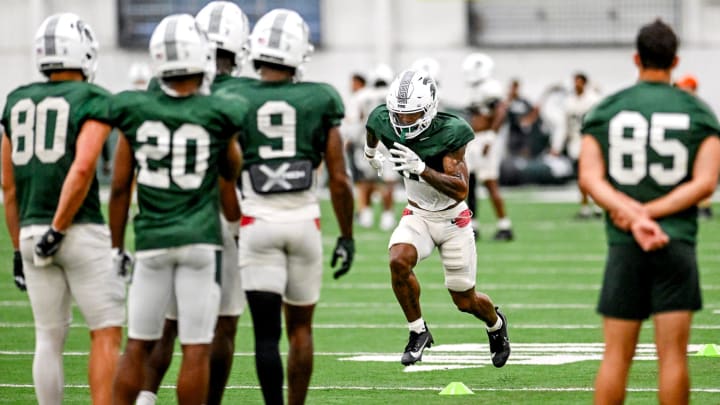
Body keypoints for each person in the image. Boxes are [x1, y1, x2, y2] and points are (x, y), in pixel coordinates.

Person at [216, 8, 355, 405]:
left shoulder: (233, 96)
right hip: (303, 220)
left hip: (256, 219)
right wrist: (346, 235)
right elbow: (340, 178)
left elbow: (225, 169)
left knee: (264, 335)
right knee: (301, 331)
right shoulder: (320, 97)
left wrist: (233, 223)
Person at [578, 19, 720, 405]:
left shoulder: (608, 108)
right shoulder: (698, 111)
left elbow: (589, 177)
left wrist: (633, 215)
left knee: (616, 356)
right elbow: (706, 182)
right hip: (675, 242)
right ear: (675, 60)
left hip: (625, 243)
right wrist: (652, 214)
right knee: (672, 356)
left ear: (636, 58)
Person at [109, 13, 246, 404]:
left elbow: (120, 186)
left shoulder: (136, 106)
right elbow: (230, 170)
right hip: (201, 239)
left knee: (138, 343)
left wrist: (116, 248)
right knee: (198, 346)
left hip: (151, 238)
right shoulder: (220, 108)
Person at [1, 13, 125, 404]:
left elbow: (8, 187)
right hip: (78, 228)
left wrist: (19, 246)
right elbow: (84, 166)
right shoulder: (93, 98)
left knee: (47, 337)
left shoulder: (17, 100)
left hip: (32, 231)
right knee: (105, 330)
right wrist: (59, 226)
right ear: (84, 51)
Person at [364, 68, 510, 367]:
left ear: (429, 110)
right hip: (418, 213)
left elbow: (460, 190)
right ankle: (418, 331)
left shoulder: (451, 132)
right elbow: (373, 123)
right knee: (397, 260)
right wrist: (370, 152)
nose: (403, 122)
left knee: (465, 301)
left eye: (412, 115)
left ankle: (496, 325)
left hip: (453, 221)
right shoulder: (384, 118)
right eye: (399, 115)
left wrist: (422, 170)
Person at [461, 53, 513, 241]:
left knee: (490, 182)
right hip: (474, 139)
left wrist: (491, 137)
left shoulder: (491, 87)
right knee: (471, 182)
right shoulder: (474, 89)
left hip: (485, 139)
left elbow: (501, 110)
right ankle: (473, 225)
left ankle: (505, 225)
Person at [350, 63, 399, 230]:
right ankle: (387, 215)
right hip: (389, 143)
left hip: (368, 142)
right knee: (388, 182)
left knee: (365, 180)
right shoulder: (395, 95)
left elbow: (358, 119)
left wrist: (352, 139)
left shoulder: (362, 96)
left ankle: (366, 214)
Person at [551, 72, 602, 219]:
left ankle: (597, 205)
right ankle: (585, 206)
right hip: (576, 141)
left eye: (579, 82)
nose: (576, 85)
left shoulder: (593, 100)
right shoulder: (569, 101)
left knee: (594, 175)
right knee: (581, 177)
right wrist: (557, 146)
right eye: (575, 82)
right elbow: (564, 126)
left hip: (591, 139)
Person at [674, 74, 714, 220]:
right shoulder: (686, 105)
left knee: (699, 176)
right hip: (686, 146)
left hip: (697, 146)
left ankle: (704, 208)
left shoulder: (698, 108)